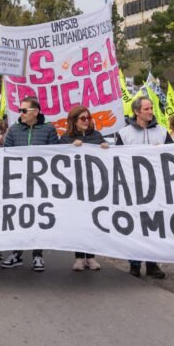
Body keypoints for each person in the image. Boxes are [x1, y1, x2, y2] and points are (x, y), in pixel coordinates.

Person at [2, 96, 60, 272]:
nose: (21, 113)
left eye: (24, 110)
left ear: (36, 112)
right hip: (18, 181)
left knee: (39, 217)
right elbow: (6, 153)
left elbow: (54, 153)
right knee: (18, 217)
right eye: (20, 110)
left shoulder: (48, 129)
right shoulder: (14, 129)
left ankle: (37, 255)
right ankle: (17, 253)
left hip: (41, 182)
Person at [116, 97, 169, 279]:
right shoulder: (124, 134)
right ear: (137, 112)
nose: (150, 111)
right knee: (136, 226)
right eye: (146, 108)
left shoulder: (162, 132)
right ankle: (135, 264)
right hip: (134, 187)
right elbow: (117, 160)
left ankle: (152, 264)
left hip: (157, 186)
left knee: (155, 225)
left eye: (151, 108)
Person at [61, 106, 108, 271]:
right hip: (75, 187)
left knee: (93, 221)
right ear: (74, 121)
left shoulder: (96, 136)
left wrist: (104, 148)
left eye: (88, 118)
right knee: (79, 222)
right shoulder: (66, 138)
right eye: (82, 118)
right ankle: (79, 257)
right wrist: (70, 148)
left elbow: (107, 157)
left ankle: (91, 256)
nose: (87, 121)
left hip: (95, 186)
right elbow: (58, 160)